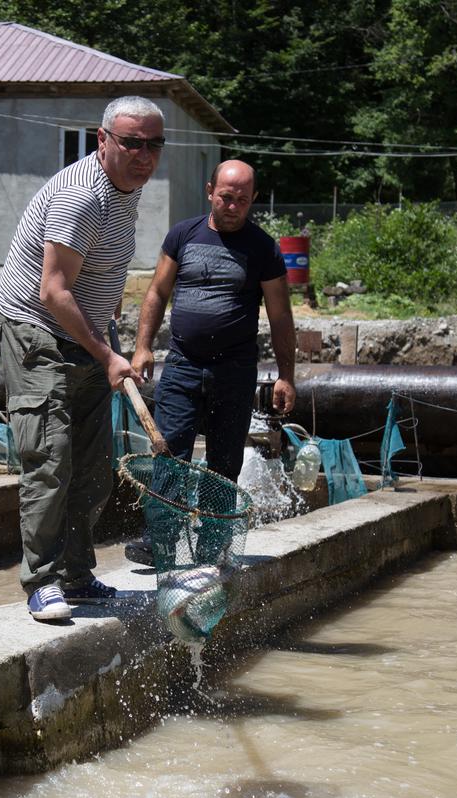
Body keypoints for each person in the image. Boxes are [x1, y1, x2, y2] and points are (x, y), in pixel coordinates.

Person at [0, 96, 165, 621]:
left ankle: (77, 576)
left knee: (93, 468)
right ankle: (42, 582)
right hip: (37, 329)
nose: (143, 154)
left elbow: (100, 276)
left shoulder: (126, 191)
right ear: (103, 139)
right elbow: (52, 291)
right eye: (131, 142)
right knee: (51, 456)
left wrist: (108, 338)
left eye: (153, 144)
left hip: (87, 334)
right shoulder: (81, 196)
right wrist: (107, 354)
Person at [126, 159, 297, 565]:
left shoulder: (263, 249)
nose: (232, 205)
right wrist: (142, 346)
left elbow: (280, 315)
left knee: (224, 461)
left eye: (241, 199)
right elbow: (156, 293)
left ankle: (213, 545)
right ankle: (161, 540)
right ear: (209, 191)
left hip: (234, 370)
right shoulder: (182, 235)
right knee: (169, 451)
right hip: (183, 363)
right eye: (225, 196)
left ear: (253, 199)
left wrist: (286, 376)